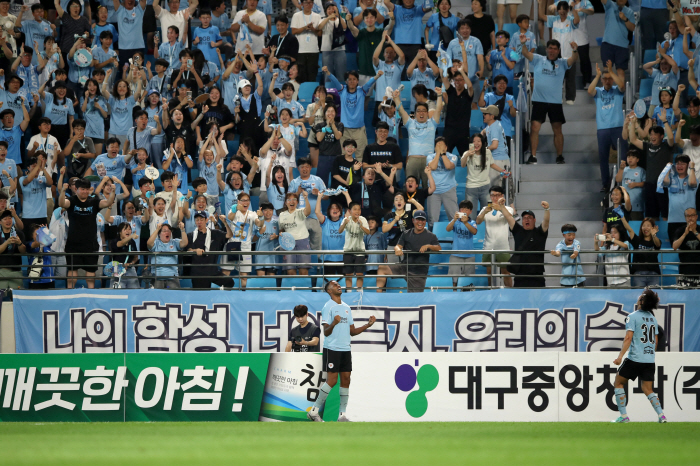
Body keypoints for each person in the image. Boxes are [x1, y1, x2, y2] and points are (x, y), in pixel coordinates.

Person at [306, 280, 376, 422]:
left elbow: (353, 332)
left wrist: (367, 325)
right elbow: (325, 332)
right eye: (335, 285)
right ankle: (313, 411)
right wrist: (334, 323)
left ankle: (342, 415)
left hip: (345, 349)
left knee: (346, 380)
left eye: (339, 284)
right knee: (331, 381)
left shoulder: (346, 308)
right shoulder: (328, 307)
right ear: (329, 291)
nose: (339, 286)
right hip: (332, 349)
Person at [611, 289, 668, 423]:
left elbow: (628, 338)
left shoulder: (632, 316)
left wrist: (620, 357)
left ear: (642, 302)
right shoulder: (652, 318)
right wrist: (650, 355)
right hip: (649, 359)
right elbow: (656, 340)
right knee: (648, 389)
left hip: (635, 358)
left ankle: (624, 417)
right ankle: (661, 415)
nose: (638, 298)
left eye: (640, 297)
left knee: (618, 383)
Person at [521, 37, 579, 165]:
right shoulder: (538, 59)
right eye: (550, 48)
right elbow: (525, 53)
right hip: (539, 101)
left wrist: (575, 50)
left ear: (558, 51)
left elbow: (573, 59)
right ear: (546, 49)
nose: (552, 51)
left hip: (555, 102)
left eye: (555, 49)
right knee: (535, 127)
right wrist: (523, 43)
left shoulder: (563, 63)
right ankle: (533, 156)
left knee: (557, 129)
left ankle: (559, 156)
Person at [57, 174, 114, 289]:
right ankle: (70, 293)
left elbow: (107, 203)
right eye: (82, 189)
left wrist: (113, 191)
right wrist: (63, 191)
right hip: (73, 243)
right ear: (76, 189)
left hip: (91, 244)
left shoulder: (93, 201)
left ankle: (91, 294)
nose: (85, 191)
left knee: (90, 272)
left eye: (87, 189)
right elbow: (62, 204)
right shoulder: (72, 201)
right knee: (72, 271)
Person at [376, 209, 440, 292]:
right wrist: (398, 249)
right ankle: (378, 296)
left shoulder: (431, 236)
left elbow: (438, 248)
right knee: (382, 268)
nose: (420, 222)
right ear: (413, 220)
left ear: (425, 221)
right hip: (404, 267)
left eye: (422, 220)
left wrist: (429, 246)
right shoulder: (406, 233)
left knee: (415, 298)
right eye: (418, 219)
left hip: (418, 272)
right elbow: (398, 246)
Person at [394, 87, 443, 189]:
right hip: (412, 160)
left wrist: (439, 95)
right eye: (419, 111)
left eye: (424, 111)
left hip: (428, 161)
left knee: (428, 189)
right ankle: (410, 205)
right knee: (410, 188)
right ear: (415, 113)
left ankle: (427, 206)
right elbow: (401, 109)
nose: (421, 113)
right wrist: (396, 98)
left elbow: (438, 109)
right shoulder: (409, 123)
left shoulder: (432, 123)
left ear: (427, 113)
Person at [627, 114, 674, 220]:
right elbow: (633, 140)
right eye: (651, 134)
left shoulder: (666, 146)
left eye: (655, 134)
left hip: (663, 186)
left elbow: (671, 137)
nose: (652, 137)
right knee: (652, 216)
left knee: (665, 215)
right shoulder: (647, 146)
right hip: (650, 185)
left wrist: (665, 121)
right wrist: (633, 123)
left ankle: (666, 236)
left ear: (661, 136)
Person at [590, 61, 627, 191]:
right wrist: (597, 76)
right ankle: (605, 184)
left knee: (623, 156)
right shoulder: (598, 91)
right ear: (601, 80)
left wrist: (611, 72)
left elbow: (622, 85)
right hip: (603, 129)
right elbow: (590, 91)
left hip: (618, 127)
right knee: (603, 158)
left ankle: (623, 181)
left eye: (609, 79)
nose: (607, 81)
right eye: (604, 79)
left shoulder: (617, 91)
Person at [498, 201, 550, 288]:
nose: (526, 219)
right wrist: (502, 206)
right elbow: (509, 217)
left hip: (537, 275)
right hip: (520, 275)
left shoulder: (540, 232)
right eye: (524, 218)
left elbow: (546, 221)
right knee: (520, 300)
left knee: (538, 301)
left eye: (529, 217)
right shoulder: (518, 230)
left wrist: (547, 209)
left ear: (534, 220)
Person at [187, 211, 234, 289]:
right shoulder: (191, 235)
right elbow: (188, 249)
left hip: (212, 271)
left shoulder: (215, 233)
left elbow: (229, 235)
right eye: (197, 220)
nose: (199, 222)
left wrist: (225, 223)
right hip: (198, 272)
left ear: (206, 220)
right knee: (202, 296)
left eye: (201, 219)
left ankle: (219, 299)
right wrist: (195, 250)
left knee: (229, 282)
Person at [476, 186, 512, 287]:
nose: (495, 198)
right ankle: (491, 294)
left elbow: (510, 219)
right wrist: (484, 212)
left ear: (502, 196)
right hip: (488, 246)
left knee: (506, 273)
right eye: (492, 195)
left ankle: (511, 294)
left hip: (503, 246)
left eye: (497, 195)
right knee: (489, 274)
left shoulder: (508, 208)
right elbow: (478, 221)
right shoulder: (485, 208)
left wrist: (501, 208)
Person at [462, 133, 503, 220]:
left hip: (485, 188)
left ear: (482, 142)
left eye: (478, 141)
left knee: (488, 213)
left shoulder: (487, 152)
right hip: (471, 188)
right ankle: (472, 233)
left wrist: (503, 171)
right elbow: (462, 165)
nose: (476, 143)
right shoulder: (467, 153)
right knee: (470, 216)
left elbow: (491, 164)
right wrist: (467, 155)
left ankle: (486, 233)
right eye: (474, 141)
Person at [620, 216, 662, 288]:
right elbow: (629, 229)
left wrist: (654, 235)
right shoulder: (637, 240)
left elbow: (658, 244)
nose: (646, 228)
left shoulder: (655, 241)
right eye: (644, 226)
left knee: (653, 297)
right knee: (640, 297)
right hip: (639, 274)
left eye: (648, 226)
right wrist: (622, 217)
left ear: (653, 228)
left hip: (653, 274)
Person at [426, 137, 458, 227]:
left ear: (446, 147)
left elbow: (448, 166)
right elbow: (433, 167)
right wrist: (437, 154)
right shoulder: (430, 157)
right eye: (437, 145)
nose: (439, 147)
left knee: (454, 217)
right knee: (432, 219)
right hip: (433, 191)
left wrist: (443, 154)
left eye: (441, 145)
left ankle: (454, 238)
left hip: (448, 189)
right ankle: (431, 239)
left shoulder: (453, 157)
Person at [442, 64, 474, 156]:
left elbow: (470, 86)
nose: (458, 82)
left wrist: (462, 72)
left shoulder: (467, 94)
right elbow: (444, 78)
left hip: (463, 132)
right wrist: (444, 63)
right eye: (456, 80)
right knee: (444, 156)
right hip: (449, 130)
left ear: (464, 81)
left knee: (467, 159)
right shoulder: (451, 91)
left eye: (460, 80)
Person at [664, 155, 697, 241]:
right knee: (674, 248)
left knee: (688, 248)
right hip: (673, 220)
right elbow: (664, 182)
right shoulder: (671, 179)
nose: (680, 166)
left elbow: (693, 183)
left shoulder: (692, 178)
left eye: (683, 164)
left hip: (689, 221)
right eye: (677, 164)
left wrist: (692, 168)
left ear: (688, 165)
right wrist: (667, 169)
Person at [147, 221, 188, 289]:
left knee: (173, 298)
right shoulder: (156, 243)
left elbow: (184, 243)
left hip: (172, 277)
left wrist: (182, 230)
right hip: (157, 277)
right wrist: (157, 229)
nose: (167, 232)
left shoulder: (174, 242)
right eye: (164, 231)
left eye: (169, 231)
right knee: (157, 297)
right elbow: (149, 243)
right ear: (159, 234)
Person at [338, 201, 370, 290]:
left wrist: (361, 226)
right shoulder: (346, 220)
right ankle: (349, 291)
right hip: (348, 250)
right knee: (348, 273)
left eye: (359, 209)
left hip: (359, 251)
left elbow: (368, 232)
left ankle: (359, 291)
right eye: (355, 209)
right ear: (350, 210)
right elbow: (340, 231)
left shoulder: (363, 219)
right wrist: (344, 223)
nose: (357, 211)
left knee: (359, 273)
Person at [446, 200, 478, 287]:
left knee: (469, 281)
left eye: (466, 209)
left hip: (469, 256)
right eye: (462, 209)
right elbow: (448, 229)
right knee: (453, 280)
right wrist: (454, 219)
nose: (464, 211)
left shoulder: (472, 222)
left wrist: (465, 222)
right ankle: (453, 296)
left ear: (470, 211)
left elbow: (474, 231)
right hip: (456, 255)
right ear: (459, 210)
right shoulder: (455, 221)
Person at [291, 0, 322, 83]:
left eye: (310, 3)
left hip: (313, 50)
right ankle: (301, 95)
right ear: (302, 4)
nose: (308, 4)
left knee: (312, 75)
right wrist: (304, 28)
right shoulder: (296, 15)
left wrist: (312, 29)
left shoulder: (317, 16)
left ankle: (312, 94)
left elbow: (319, 33)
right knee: (301, 75)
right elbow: (293, 31)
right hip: (300, 50)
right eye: (306, 2)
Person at [672, 207, 700, 287]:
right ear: (685, 217)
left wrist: (695, 232)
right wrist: (685, 234)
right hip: (685, 271)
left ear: (696, 217)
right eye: (688, 216)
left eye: (692, 215)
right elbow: (674, 246)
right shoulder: (680, 230)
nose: (690, 218)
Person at [0, 208, 26, 292]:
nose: (8, 221)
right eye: (5, 219)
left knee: (17, 297)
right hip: (1, 271)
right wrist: (7, 242)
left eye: (10, 218)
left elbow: (23, 251)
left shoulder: (19, 233)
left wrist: (19, 243)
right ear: (0, 222)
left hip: (16, 272)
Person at [615, 150, 646, 220]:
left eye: (633, 157)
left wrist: (636, 184)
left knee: (636, 225)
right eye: (628, 157)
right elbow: (618, 179)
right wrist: (621, 169)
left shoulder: (641, 171)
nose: (630, 159)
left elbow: (645, 183)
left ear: (637, 160)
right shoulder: (624, 170)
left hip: (637, 204)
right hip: (624, 205)